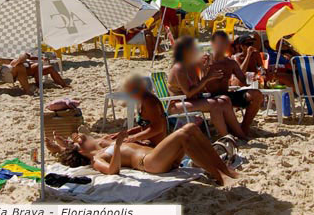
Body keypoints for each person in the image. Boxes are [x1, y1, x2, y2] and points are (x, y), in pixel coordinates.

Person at [45, 125, 239, 186]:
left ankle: (225, 170)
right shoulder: (96, 159)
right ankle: (219, 176)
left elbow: (76, 142)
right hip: (150, 163)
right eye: (79, 141)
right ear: (81, 151)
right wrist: (120, 145)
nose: (81, 137)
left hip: (158, 157)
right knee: (185, 131)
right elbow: (113, 171)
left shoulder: (104, 143)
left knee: (192, 132)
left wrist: (61, 145)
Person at [167, 36, 247, 139]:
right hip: (177, 104)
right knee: (214, 104)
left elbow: (199, 89)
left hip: (191, 101)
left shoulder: (192, 66)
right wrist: (207, 78)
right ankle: (226, 137)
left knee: (225, 100)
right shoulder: (179, 68)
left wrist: (204, 71)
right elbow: (189, 93)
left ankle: (239, 134)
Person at [204, 31, 264, 136]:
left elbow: (243, 81)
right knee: (224, 100)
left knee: (257, 95)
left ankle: (244, 127)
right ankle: (233, 131)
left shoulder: (230, 62)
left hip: (226, 94)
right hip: (208, 96)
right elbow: (195, 81)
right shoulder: (205, 61)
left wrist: (253, 78)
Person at [109, 75, 167, 146]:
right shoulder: (141, 100)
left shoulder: (149, 102)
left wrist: (134, 138)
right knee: (108, 139)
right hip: (147, 141)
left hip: (154, 146)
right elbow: (146, 126)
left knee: (109, 144)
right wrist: (127, 132)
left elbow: (158, 128)